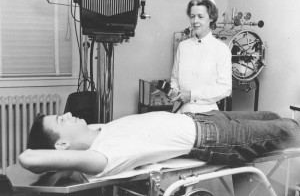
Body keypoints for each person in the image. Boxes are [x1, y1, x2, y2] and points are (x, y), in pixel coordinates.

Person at [19, 111, 300, 178]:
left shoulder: (96, 132)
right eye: (60, 119)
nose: (68, 114)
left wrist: (72, 139)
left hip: (205, 119)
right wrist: (63, 154)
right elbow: (27, 158)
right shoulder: (99, 157)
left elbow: (75, 135)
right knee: (290, 128)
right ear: (62, 144)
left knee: (272, 117)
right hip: (215, 138)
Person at [170, 0, 232, 113]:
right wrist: (174, 90)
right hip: (181, 111)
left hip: (207, 113)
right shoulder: (183, 46)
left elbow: (225, 88)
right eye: (192, 16)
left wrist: (193, 95)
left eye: (200, 16)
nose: (195, 21)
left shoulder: (221, 49)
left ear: (211, 18)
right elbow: (175, 78)